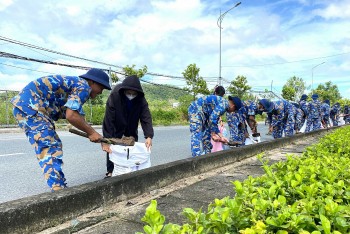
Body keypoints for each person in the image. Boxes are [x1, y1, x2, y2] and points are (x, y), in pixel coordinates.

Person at [11, 68, 111, 191]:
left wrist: (99, 138)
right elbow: (71, 115)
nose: (101, 92)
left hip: (26, 107)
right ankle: (58, 190)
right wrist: (92, 132)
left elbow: (78, 115)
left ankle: (59, 186)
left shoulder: (75, 85)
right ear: (92, 82)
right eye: (101, 88)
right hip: (31, 108)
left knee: (53, 145)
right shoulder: (84, 86)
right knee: (50, 146)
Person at [102, 75, 154, 178]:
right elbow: (109, 118)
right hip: (117, 124)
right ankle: (111, 170)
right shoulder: (115, 95)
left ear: (138, 93)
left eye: (133, 93)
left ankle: (131, 168)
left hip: (131, 124)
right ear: (123, 90)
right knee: (112, 147)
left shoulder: (141, 99)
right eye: (128, 93)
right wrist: (106, 139)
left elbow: (146, 117)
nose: (131, 95)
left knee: (132, 147)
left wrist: (148, 136)